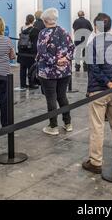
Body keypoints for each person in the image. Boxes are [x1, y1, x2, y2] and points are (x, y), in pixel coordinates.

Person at [82, 13, 112, 174]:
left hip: (99, 91)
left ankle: (96, 162)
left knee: (97, 126)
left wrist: (106, 82)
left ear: (96, 26)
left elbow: (93, 67)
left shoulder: (93, 44)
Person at [37, 8, 75, 136]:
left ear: (45, 20)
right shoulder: (64, 31)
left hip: (48, 72)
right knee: (62, 96)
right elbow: (72, 48)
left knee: (51, 98)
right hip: (64, 71)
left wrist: (55, 61)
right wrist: (65, 59)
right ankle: (68, 123)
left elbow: (42, 51)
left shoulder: (43, 33)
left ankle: (53, 126)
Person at [17, 14, 39, 90]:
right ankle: (31, 84)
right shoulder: (35, 30)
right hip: (30, 52)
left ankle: (22, 84)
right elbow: (36, 43)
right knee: (31, 69)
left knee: (22, 69)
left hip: (21, 51)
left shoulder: (22, 28)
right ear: (33, 20)